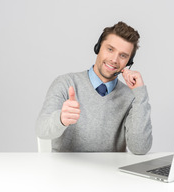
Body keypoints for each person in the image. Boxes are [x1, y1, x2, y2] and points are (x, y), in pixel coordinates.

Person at [36, 21, 152, 154]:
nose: (114, 60)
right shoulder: (65, 83)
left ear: (128, 63)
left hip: (109, 172)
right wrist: (61, 119)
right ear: (98, 48)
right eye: (110, 49)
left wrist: (140, 93)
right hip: (66, 172)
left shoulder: (132, 97)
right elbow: (41, 129)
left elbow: (140, 148)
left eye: (123, 56)